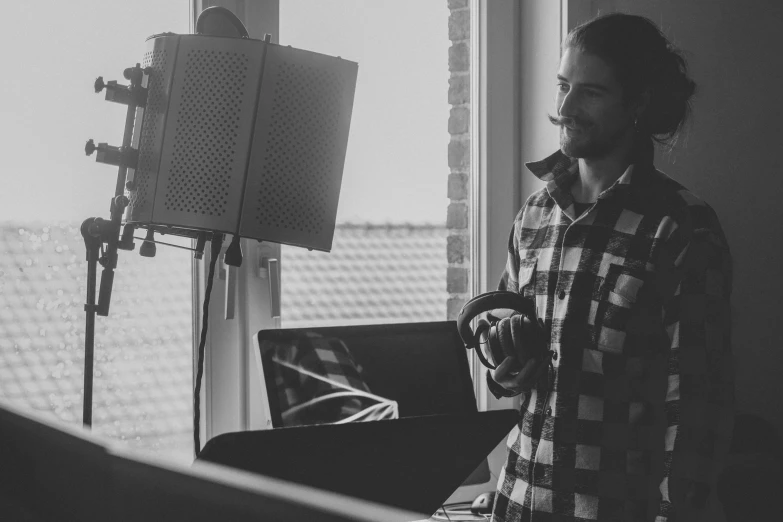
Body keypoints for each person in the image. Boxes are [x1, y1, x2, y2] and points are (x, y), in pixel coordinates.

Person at [485, 13, 734, 522]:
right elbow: (512, 374)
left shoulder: (683, 228)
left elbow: (694, 410)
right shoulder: (533, 216)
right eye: (562, 85)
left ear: (638, 103)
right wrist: (506, 365)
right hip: (518, 504)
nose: (564, 107)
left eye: (590, 92)